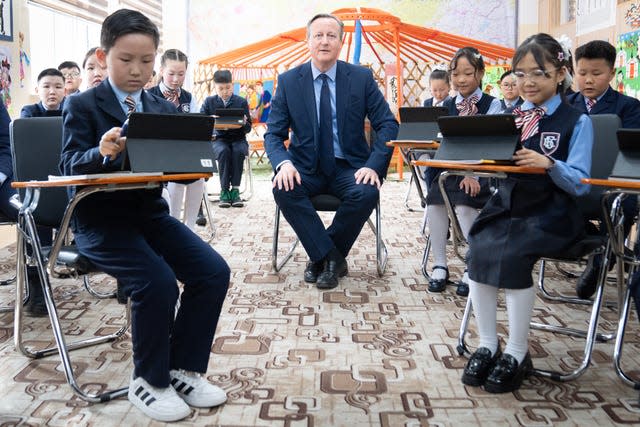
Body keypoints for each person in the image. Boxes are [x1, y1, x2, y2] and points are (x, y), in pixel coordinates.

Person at [59, 9, 230, 422]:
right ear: (104, 56)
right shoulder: (82, 105)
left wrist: (194, 154)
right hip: (99, 223)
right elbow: (68, 168)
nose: (137, 70)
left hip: (149, 217)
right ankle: (148, 381)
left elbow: (178, 163)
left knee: (212, 271)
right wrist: (101, 153)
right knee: (156, 282)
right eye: (125, 60)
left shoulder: (159, 105)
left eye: (146, 61)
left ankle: (181, 369)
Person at [461, 33, 593, 393]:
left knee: (512, 251)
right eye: (520, 74)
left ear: (560, 74)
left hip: (552, 212)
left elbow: (582, 183)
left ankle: (517, 352)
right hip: (506, 206)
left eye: (539, 73)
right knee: (479, 246)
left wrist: (549, 164)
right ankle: (488, 343)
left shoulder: (577, 121)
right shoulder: (509, 116)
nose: (528, 82)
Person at [264, 13, 398, 289]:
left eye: (331, 36)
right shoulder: (289, 81)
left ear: (340, 41)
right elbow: (274, 135)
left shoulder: (360, 78)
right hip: (305, 169)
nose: (324, 41)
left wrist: (374, 164)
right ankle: (331, 257)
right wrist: (283, 164)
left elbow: (387, 124)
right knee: (283, 188)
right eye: (318, 35)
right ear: (308, 40)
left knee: (366, 191)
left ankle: (319, 257)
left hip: (349, 167)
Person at [424, 46, 502, 297]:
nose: (461, 80)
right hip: (451, 172)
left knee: (464, 205)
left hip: (482, 173)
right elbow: (442, 143)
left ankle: (473, 264)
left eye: (468, 73)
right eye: (456, 74)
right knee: (434, 202)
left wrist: (473, 173)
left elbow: (492, 145)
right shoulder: (446, 105)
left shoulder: (493, 104)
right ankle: (439, 264)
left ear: (480, 73)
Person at [566, 40, 640, 299]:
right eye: (582, 73)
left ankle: (604, 254)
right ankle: (602, 245)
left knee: (624, 202)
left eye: (596, 74)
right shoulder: (565, 105)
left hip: (613, 184)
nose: (588, 80)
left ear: (612, 73)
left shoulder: (629, 108)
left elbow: (630, 153)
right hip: (573, 181)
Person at [147, 49, 206, 228]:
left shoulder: (188, 97)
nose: (175, 79)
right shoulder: (150, 96)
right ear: (162, 70)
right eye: (171, 73)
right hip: (159, 154)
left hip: (184, 151)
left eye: (181, 74)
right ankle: (173, 225)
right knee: (176, 176)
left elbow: (197, 126)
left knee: (200, 175)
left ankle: (190, 228)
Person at [200, 69, 251, 208]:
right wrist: (209, 120)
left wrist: (245, 122)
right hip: (218, 139)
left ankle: (235, 190)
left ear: (232, 85)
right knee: (223, 151)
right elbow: (199, 122)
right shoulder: (209, 102)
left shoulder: (241, 102)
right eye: (221, 88)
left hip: (238, 139)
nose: (225, 91)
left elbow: (248, 128)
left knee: (238, 151)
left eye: (228, 88)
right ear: (215, 87)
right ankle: (224, 190)